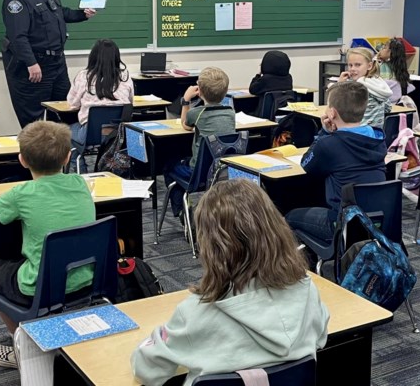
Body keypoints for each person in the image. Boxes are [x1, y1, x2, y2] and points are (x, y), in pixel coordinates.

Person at [132, 179, 329, 385]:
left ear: (210, 246)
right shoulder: (306, 291)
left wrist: (156, 337)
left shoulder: (194, 314)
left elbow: (146, 369)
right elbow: (320, 336)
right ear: (276, 228)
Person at [0, 121, 96, 370]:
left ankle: (24, 348)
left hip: (40, 288)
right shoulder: (80, 183)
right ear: (67, 157)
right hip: (87, 280)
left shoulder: (21, 194)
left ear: (22, 160)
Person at [1, 0, 97, 128]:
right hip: (34, 67)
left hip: (57, 65)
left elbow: (60, 13)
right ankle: (35, 156)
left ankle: (63, 154)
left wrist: (82, 14)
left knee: (65, 112)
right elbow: (17, 36)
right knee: (34, 122)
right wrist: (31, 63)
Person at [285, 81, 386, 244]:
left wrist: (324, 131)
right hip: (376, 219)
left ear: (331, 113)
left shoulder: (329, 144)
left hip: (342, 222)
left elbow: (306, 164)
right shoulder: (378, 138)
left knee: (289, 216)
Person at [164, 67, 235, 216]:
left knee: (168, 166)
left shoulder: (196, 113)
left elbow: (185, 125)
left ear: (200, 91)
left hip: (199, 172)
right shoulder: (230, 112)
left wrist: (186, 100)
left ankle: (182, 211)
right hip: (224, 170)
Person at [66, 38, 134, 171]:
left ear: (93, 56)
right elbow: (130, 102)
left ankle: (81, 171)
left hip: (90, 133)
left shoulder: (83, 76)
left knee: (65, 133)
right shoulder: (124, 76)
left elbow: (72, 104)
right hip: (117, 133)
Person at [336, 47, 391, 128]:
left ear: (369, 66)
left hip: (357, 134)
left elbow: (338, 108)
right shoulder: (378, 83)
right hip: (377, 135)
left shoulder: (356, 88)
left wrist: (339, 85)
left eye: (357, 65)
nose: (352, 69)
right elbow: (388, 108)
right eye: (350, 65)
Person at [377, 38, 415, 104]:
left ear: (390, 53)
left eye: (384, 48)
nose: (381, 50)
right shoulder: (400, 67)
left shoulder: (383, 67)